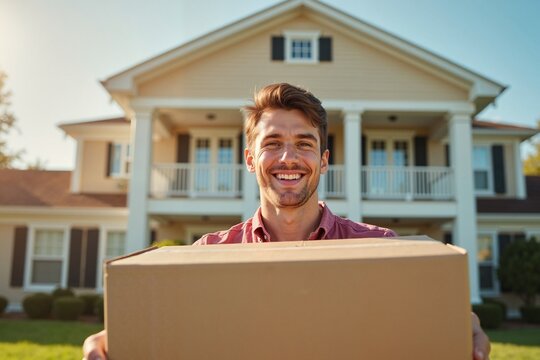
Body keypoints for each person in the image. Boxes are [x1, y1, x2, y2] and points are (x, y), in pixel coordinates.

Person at [83, 83, 491, 360]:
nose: (288, 158)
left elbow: (424, 310)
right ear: (249, 159)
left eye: (304, 144)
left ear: (324, 161)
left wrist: (464, 322)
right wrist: (115, 337)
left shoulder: (383, 248)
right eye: (272, 143)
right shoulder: (208, 256)